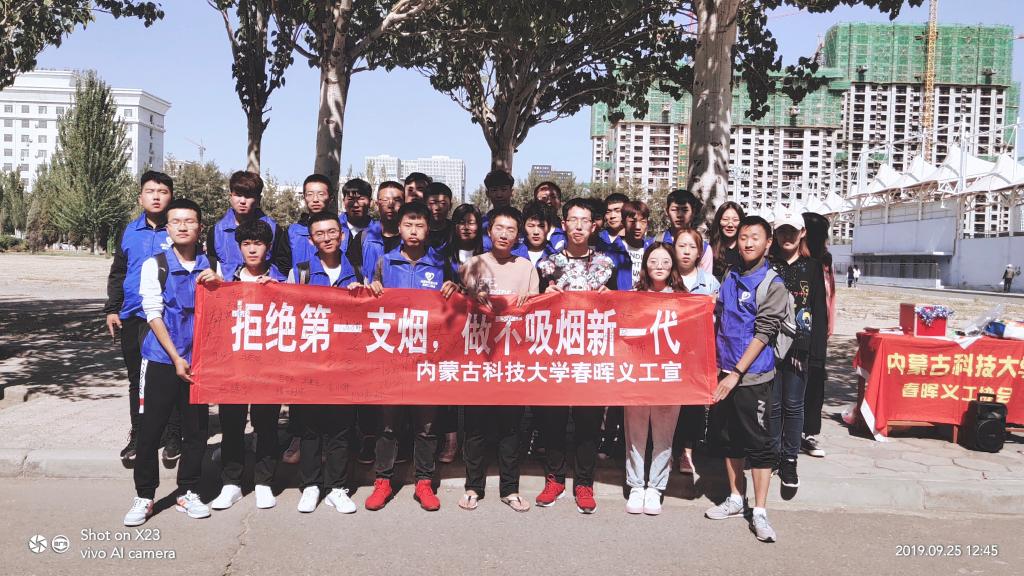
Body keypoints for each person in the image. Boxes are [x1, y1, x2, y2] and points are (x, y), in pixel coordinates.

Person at [124, 198, 216, 526]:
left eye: (189, 221)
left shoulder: (211, 266)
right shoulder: (156, 265)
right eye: (176, 221)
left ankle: (188, 491)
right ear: (167, 228)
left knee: (196, 431)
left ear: (200, 227)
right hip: (162, 359)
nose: (182, 227)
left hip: (199, 362)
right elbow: (153, 314)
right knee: (150, 430)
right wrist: (176, 357)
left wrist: (218, 286)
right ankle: (145, 495)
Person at [364, 202, 460, 512]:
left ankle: (424, 482)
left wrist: (454, 288)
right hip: (391, 358)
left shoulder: (441, 263)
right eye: (408, 225)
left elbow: (457, 304)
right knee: (388, 424)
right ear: (399, 228)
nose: (414, 231)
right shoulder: (385, 262)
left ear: (429, 228)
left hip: (428, 358)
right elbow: (368, 302)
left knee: (427, 425)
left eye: (420, 225)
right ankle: (383, 481)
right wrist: (372, 289)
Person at [704, 215, 788, 543]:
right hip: (724, 372)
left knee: (760, 445)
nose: (748, 242)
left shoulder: (772, 283)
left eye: (755, 237)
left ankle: (761, 511)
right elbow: (718, 315)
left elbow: (764, 333)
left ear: (768, 243)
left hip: (753, 377)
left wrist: (737, 373)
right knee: (730, 439)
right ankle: (736, 498)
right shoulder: (730, 274)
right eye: (743, 237)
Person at [535, 198, 616, 514]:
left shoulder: (606, 265)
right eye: (573, 219)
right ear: (563, 224)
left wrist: (611, 298)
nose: (579, 226)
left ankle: (584, 482)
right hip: (556, 352)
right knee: (553, 420)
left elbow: (621, 308)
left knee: (588, 421)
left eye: (585, 220)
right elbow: (530, 306)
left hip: (591, 354)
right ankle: (554, 478)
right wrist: (543, 295)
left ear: (594, 226)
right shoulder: (548, 265)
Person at [457, 206, 540, 513]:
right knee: (476, 428)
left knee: (511, 429)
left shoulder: (526, 268)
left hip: (512, 360)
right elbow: (457, 309)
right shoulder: (473, 265)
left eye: (511, 230)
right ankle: (473, 486)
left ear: (518, 236)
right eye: (499, 228)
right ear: (489, 231)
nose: (504, 234)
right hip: (479, 359)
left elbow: (536, 311)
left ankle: (510, 489)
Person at [287, 211, 363, 514]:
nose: (327, 238)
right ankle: (310, 486)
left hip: (346, 363)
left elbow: (372, 311)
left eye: (332, 232)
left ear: (342, 235)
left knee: (341, 428)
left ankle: (337, 488)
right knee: (309, 428)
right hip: (310, 362)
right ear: (311, 240)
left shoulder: (357, 270)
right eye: (320, 234)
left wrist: (364, 294)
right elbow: (284, 310)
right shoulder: (301, 272)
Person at [210, 219, 288, 511]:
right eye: (246, 244)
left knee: (266, 424)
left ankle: (264, 482)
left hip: (268, 366)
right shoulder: (225, 280)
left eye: (258, 244)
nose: (252, 250)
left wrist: (279, 291)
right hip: (234, 365)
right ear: (239, 247)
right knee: (232, 424)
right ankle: (231, 482)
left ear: (268, 247)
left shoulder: (283, 280)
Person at [104, 171, 173, 464]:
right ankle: (140, 434)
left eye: (162, 191)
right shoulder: (129, 231)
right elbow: (118, 272)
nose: (156, 196)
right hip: (133, 314)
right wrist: (112, 308)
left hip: (168, 316)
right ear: (140, 197)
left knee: (170, 377)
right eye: (150, 191)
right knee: (137, 379)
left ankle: (173, 435)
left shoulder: (177, 228)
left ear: (171, 197)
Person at [624, 242, 686, 515]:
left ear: (673, 266)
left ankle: (656, 487)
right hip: (637, 374)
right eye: (653, 261)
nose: (659, 266)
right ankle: (636, 485)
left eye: (665, 262)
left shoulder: (684, 299)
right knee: (635, 433)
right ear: (645, 265)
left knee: (664, 434)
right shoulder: (633, 296)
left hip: (668, 376)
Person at [768, 208, 827, 490]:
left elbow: (819, 312)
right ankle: (772, 456)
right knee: (772, 406)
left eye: (792, 231)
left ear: (802, 233)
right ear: (775, 234)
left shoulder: (813, 268)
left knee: (793, 405)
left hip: (799, 352)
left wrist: (813, 355)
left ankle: (789, 460)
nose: (787, 237)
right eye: (782, 231)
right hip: (769, 347)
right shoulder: (768, 265)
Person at [672, 228, 721, 475]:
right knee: (669, 404)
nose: (686, 251)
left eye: (692, 247)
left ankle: (687, 453)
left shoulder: (710, 283)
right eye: (682, 246)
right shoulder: (666, 277)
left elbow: (719, 319)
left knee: (693, 406)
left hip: (697, 355)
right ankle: (669, 451)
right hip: (669, 353)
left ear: (700, 252)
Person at [206, 170, 290, 278]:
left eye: (248, 196)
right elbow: (213, 268)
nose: (242, 201)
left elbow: (282, 268)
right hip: (228, 287)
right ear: (230, 196)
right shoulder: (216, 232)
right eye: (238, 195)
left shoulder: (274, 230)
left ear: (258, 199)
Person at [802, 212, 835, 458]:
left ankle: (809, 433)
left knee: (815, 379)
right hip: (798, 327)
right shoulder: (796, 261)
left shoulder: (825, 261)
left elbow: (831, 294)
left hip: (819, 327)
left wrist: (829, 323)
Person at [361, 181, 405, 285]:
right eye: (385, 200)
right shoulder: (364, 237)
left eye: (397, 200)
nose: (391, 205)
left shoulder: (411, 239)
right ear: (377, 204)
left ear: (404, 204)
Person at [660, 189, 712, 272]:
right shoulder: (655, 243)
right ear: (667, 211)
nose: (679, 215)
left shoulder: (703, 248)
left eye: (685, 210)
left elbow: (705, 278)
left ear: (693, 212)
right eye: (674, 209)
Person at [709, 201, 746, 281]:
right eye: (725, 219)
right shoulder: (709, 250)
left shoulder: (747, 248)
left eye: (735, 220)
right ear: (719, 221)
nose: (730, 225)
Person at [522, 201, 557, 266]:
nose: (536, 232)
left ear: (549, 228)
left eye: (541, 226)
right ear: (523, 227)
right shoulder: (512, 254)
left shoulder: (557, 257)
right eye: (531, 226)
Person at [425, 181, 454, 249]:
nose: (437, 208)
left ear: (450, 206)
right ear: (424, 205)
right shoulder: (418, 229)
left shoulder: (455, 231)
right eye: (432, 203)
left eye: (443, 203)